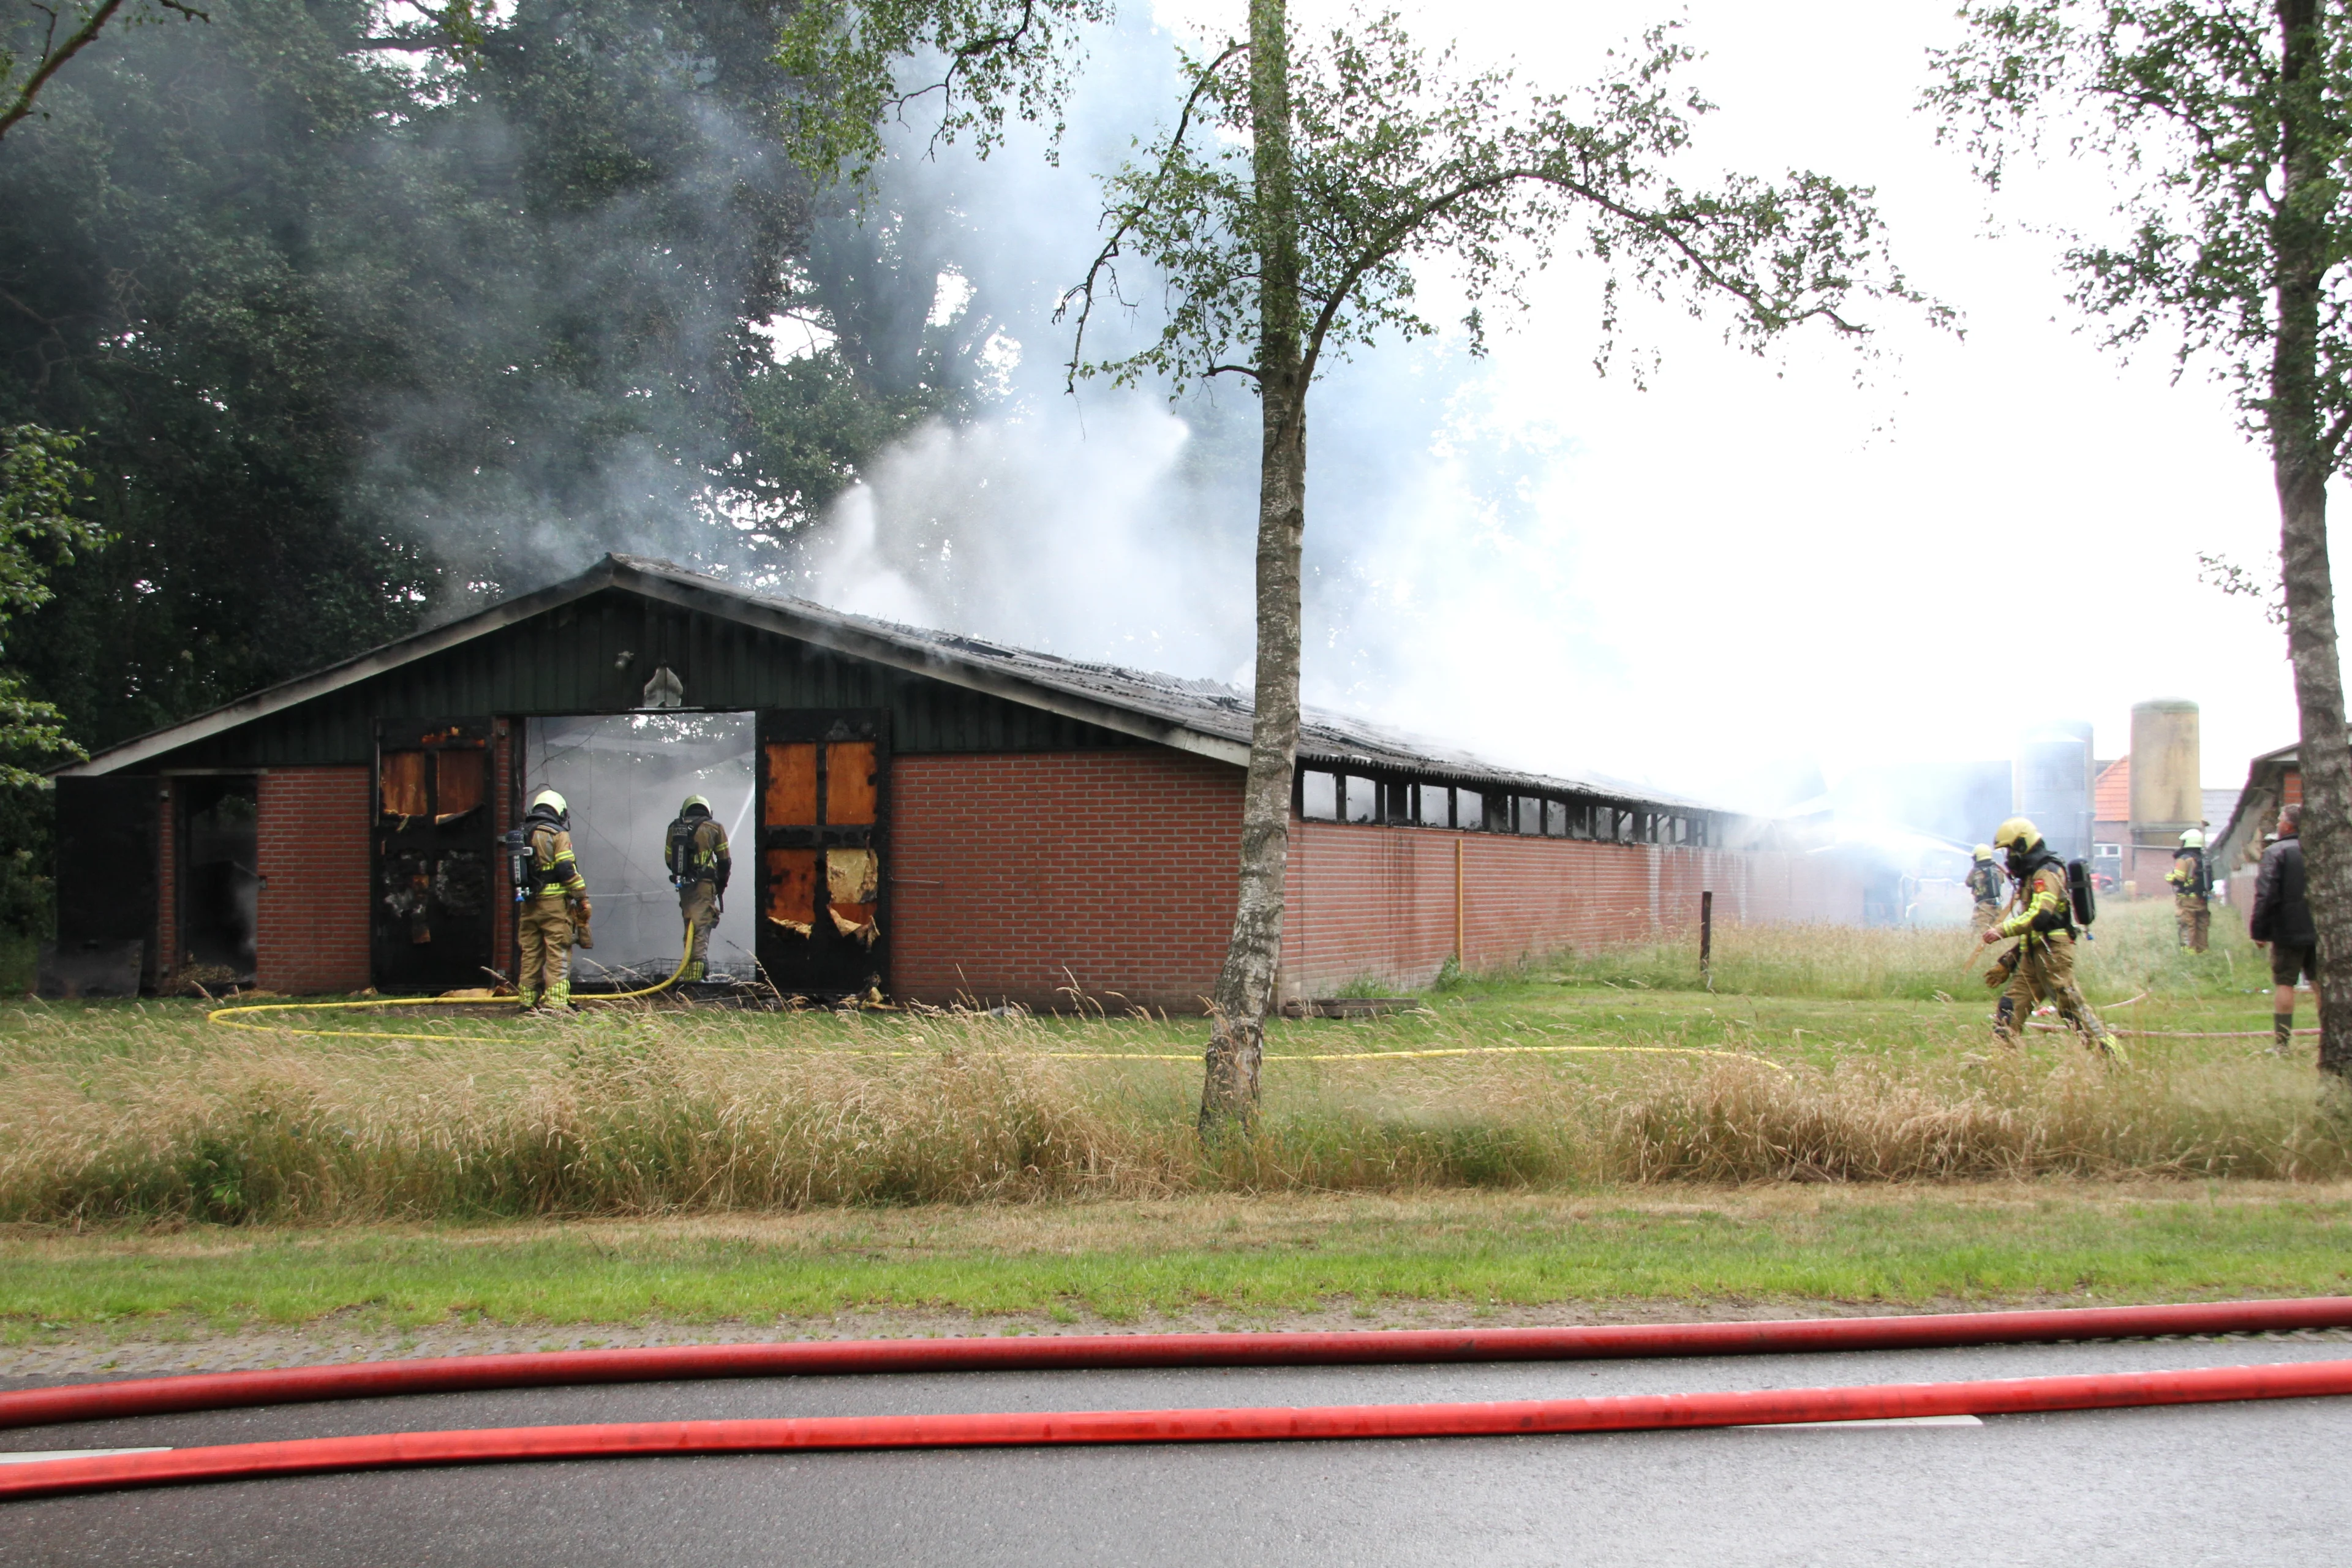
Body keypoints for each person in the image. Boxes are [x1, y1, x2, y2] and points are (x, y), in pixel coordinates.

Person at [1979, 816, 2116, 1056]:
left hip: (2053, 953)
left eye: (2010, 850)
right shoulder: (2032, 875)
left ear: (2023, 845)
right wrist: (2008, 962)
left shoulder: (2047, 872)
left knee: (2070, 1008)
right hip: (2033, 956)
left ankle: (2109, 1055)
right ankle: (1998, 1063)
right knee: (2010, 1007)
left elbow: (2040, 916)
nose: (2009, 858)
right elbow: (2033, 933)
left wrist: (2001, 930)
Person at [2250, 803, 2318, 1054]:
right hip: (2319, 928)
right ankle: (2331, 1040)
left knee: (2285, 983)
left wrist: (2259, 930)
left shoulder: (2277, 851)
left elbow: (2266, 894)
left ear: (2289, 824)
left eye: (2280, 819)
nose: (2278, 824)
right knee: (2320, 983)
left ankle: (2282, 1045)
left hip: (2287, 930)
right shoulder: (2319, 849)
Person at [518, 787, 589, 1011]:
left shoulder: (521, 833)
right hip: (554, 906)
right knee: (558, 951)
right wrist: (582, 896)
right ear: (559, 811)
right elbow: (567, 869)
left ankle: (527, 1001)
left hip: (528, 905)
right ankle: (557, 1003)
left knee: (531, 952)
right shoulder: (556, 833)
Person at [665, 793, 731, 983]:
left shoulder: (674, 827)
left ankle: (690, 972)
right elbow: (725, 861)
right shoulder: (715, 828)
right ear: (708, 810)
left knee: (690, 923)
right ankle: (695, 980)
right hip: (705, 885)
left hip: (684, 886)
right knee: (701, 927)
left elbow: (670, 860)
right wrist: (721, 884)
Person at [2165, 828, 2212, 952]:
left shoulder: (2184, 859)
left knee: (2187, 924)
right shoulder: (2204, 858)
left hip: (2187, 899)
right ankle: (2203, 951)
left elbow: (2179, 878)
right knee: (2202, 925)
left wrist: (2169, 877)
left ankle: (2189, 952)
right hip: (2202, 898)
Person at [1966, 844, 2005, 932]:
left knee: (1979, 933)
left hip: (1983, 907)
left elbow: (1968, 883)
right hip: (1997, 905)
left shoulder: (1975, 871)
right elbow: (2002, 880)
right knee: (1996, 932)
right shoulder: (1998, 870)